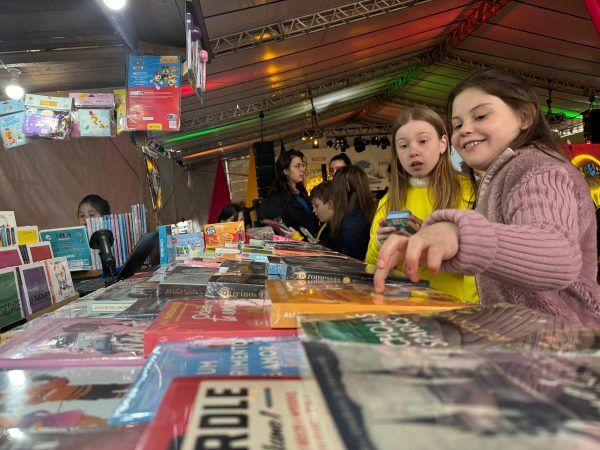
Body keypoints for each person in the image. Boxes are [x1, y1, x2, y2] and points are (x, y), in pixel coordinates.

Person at [375, 69, 600, 326]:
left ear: (524, 116)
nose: (466, 130)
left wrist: (461, 236)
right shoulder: (500, 175)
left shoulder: (538, 169)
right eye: (458, 124)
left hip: (560, 344)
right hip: (520, 335)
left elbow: (557, 255)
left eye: (481, 116)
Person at [365, 106, 477, 303]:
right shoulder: (388, 201)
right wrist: (379, 242)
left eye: (423, 141)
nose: (413, 152)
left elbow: (487, 264)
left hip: (460, 311)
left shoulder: (470, 192)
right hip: (406, 311)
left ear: (443, 144)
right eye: (403, 145)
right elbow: (371, 265)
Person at [257, 148, 319, 238]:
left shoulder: (302, 192)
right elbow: (279, 230)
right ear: (285, 171)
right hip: (297, 248)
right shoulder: (276, 198)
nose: (302, 169)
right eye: (297, 166)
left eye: (302, 165)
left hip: (311, 243)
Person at [329, 165, 375, 260]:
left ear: (347, 187)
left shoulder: (353, 222)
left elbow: (346, 261)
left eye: (336, 186)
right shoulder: (367, 211)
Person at [310, 181, 334, 248]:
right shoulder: (325, 225)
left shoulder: (343, 228)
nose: (313, 210)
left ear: (330, 204)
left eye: (316, 206)